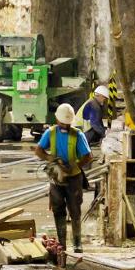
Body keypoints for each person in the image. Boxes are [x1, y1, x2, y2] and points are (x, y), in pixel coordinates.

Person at [34, 103, 92, 252]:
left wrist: (74, 166)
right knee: (58, 210)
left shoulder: (77, 135)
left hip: (74, 179)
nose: (64, 126)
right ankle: (62, 244)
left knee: (75, 211)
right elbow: (39, 150)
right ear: (57, 120)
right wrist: (50, 159)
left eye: (67, 123)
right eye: (62, 123)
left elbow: (88, 156)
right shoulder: (50, 133)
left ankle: (77, 244)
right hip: (57, 180)